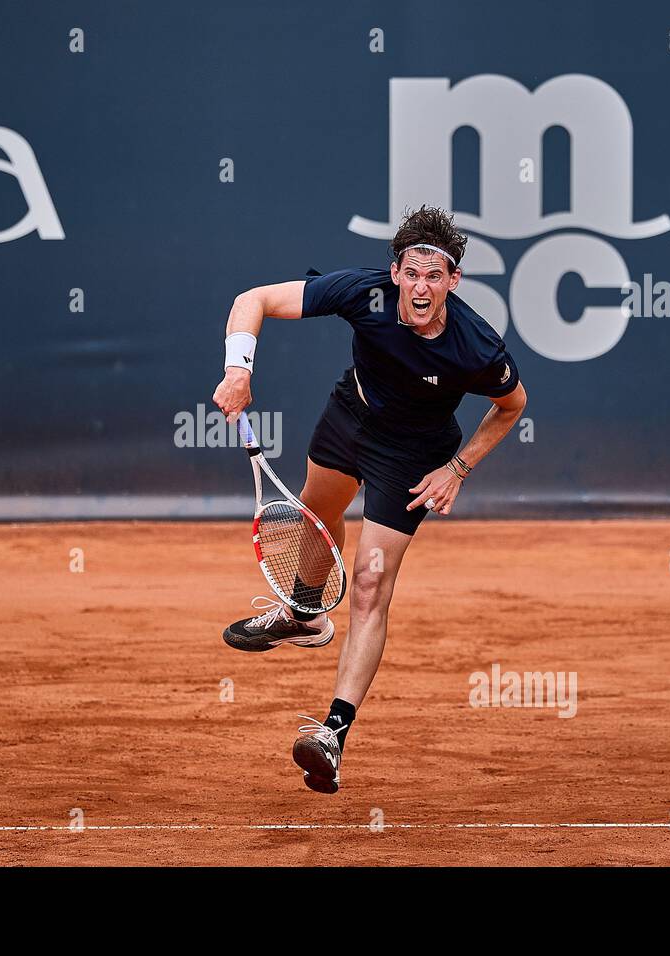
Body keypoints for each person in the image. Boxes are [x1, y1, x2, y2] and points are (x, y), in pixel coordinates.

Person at [212, 206, 528, 793]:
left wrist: (457, 469)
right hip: (351, 418)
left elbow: (512, 407)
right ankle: (304, 615)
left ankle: (332, 733)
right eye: (412, 273)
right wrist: (238, 372)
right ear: (396, 273)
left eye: (435, 276)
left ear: (453, 282)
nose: (421, 286)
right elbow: (252, 299)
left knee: (368, 582)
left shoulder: (477, 346)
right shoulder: (365, 293)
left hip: (411, 455)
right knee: (317, 517)